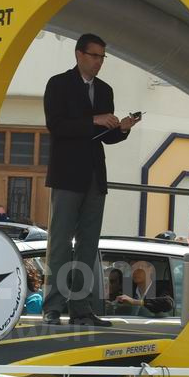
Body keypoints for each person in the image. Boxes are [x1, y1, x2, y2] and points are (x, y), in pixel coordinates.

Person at [42, 33, 138, 327]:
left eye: (102, 58)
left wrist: (122, 128)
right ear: (79, 54)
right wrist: (93, 120)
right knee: (59, 242)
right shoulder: (58, 84)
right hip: (67, 174)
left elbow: (105, 139)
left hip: (95, 175)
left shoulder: (105, 90)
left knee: (87, 245)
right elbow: (56, 126)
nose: (98, 63)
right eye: (94, 56)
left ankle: (81, 309)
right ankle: (53, 306)